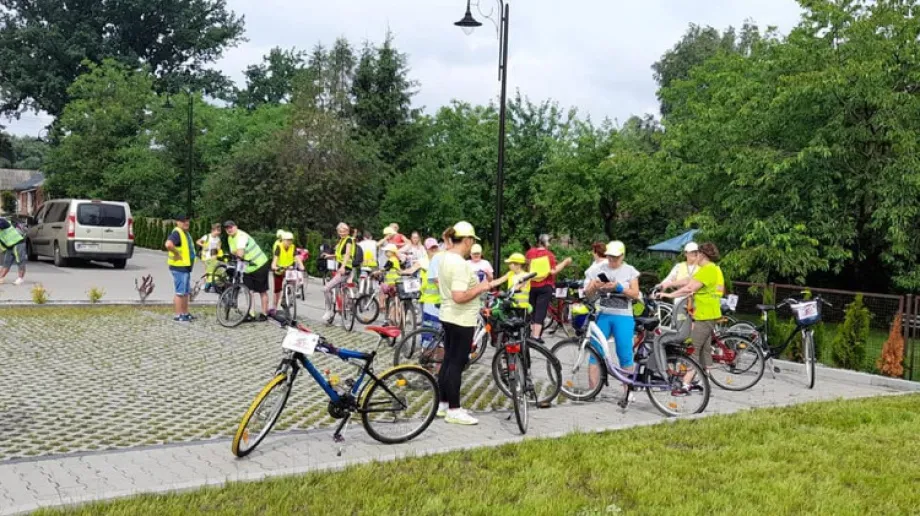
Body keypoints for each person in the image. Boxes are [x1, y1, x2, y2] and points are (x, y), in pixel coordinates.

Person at [437, 221, 504, 425]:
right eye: (472, 241)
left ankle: (443, 404)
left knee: (448, 361)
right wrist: (481, 288)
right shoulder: (459, 264)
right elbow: (459, 296)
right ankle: (454, 410)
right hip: (461, 318)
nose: (472, 246)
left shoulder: (445, 257)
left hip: (448, 315)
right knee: (457, 364)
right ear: (466, 240)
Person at [659, 242, 725, 396]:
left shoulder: (708, 270)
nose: (695, 257)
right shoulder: (710, 268)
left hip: (705, 315)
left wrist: (669, 294)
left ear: (702, 255)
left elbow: (690, 288)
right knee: (704, 349)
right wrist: (668, 285)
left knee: (693, 348)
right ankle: (704, 383)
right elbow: (688, 280)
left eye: (697, 254)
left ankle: (685, 385)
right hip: (708, 314)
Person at [584, 241, 641, 404]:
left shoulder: (629, 270)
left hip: (623, 316)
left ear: (622, 256)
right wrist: (595, 286)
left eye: (615, 257)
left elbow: (635, 294)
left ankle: (628, 391)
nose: (612, 260)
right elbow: (587, 294)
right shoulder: (599, 269)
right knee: (595, 352)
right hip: (604, 314)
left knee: (624, 353)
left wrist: (619, 288)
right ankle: (592, 390)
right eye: (609, 256)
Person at [526, 234, 573, 341]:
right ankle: (536, 336)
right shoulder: (549, 255)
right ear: (547, 243)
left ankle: (531, 334)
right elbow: (553, 271)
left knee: (532, 309)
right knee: (541, 310)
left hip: (532, 285)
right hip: (545, 285)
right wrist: (565, 262)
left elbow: (528, 267)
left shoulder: (530, 252)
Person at [224, 220, 271, 321]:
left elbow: (240, 253)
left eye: (231, 227)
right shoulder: (230, 238)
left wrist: (237, 253)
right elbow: (234, 252)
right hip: (247, 267)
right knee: (249, 291)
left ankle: (264, 313)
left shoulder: (241, 236)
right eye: (227, 228)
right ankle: (251, 314)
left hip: (259, 264)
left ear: (236, 227)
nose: (229, 229)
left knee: (262, 291)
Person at [322, 222, 356, 324]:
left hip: (344, 269)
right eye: (340, 231)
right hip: (344, 269)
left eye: (344, 231)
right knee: (338, 290)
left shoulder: (348, 240)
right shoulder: (342, 241)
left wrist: (342, 267)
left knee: (326, 288)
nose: (342, 233)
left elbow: (347, 254)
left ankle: (329, 311)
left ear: (348, 231)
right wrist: (330, 256)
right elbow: (340, 255)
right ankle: (339, 308)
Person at [165, 215, 197, 322]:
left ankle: (185, 313)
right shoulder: (177, 233)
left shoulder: (185, 233)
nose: (186, 223)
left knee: (185, 292)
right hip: (179, 267)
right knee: (180, 292)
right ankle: (179, 315)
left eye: (187, 221)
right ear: (177, 222)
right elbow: (168, 244)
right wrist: (177, 253)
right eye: (183, 221)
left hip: (185, 267)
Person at [417, 238, 444, 347]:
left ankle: (431, 350)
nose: (434, 250)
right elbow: (435, 281)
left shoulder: (442, 259)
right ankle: (427, 350)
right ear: (426, 249)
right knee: (429, 331)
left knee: (436, 332)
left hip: (438, 302)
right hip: (430, 302)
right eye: (431, 248)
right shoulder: (425, 261)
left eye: (435, 247)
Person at [658, 242, 701, 307]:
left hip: (697, 300)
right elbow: (668, 280)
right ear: (686, 253)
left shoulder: (702, 266)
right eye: (692, 252)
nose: (695, 254)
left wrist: (669, 285)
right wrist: (660, 288)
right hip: (679, 299)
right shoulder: (679, 266)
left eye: (696, 252)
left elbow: (688, 282)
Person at [271, 231, 304, 309]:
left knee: (292, 282)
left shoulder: (293, 247)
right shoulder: (279, 247)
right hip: (279, 269)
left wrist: (301, 265)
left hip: (289, 268)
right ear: (283, 240)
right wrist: (274, 266)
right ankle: (274, 307)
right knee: (277, 290)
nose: (289, 242)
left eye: (291, 240)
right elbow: (275, 259)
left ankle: (287, 298)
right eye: (288, 240)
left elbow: (297, 257)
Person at [378, 243, 403, 324]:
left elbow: (385, 269)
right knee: (393, 299)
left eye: (387, 251)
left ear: (392, 252)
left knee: (382, 289)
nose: (385, 253)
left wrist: (376, 273)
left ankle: (381, 305)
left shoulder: (391, 260)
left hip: (391, 283)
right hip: (397, 282)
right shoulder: (396, 259)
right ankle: (392, 315)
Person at [196, 223, 224, 292]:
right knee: (208, 270)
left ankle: (207, 284)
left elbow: (218, 248)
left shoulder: (218, 239)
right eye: (218, 231)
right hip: (206, 256)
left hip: (213, 257)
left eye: (220, 231)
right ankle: (204, 284)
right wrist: (203, 245)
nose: (219, 232)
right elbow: (198, 242)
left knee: (211, 270)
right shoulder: (207, 237)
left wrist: (218, 249)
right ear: (213, 230)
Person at [0, 217, 27, 285]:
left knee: (20, 261)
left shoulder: (2, 221)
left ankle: (20, 278)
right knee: (6, 263)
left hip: (18, 243)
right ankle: (1, 278)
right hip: (9, 246)